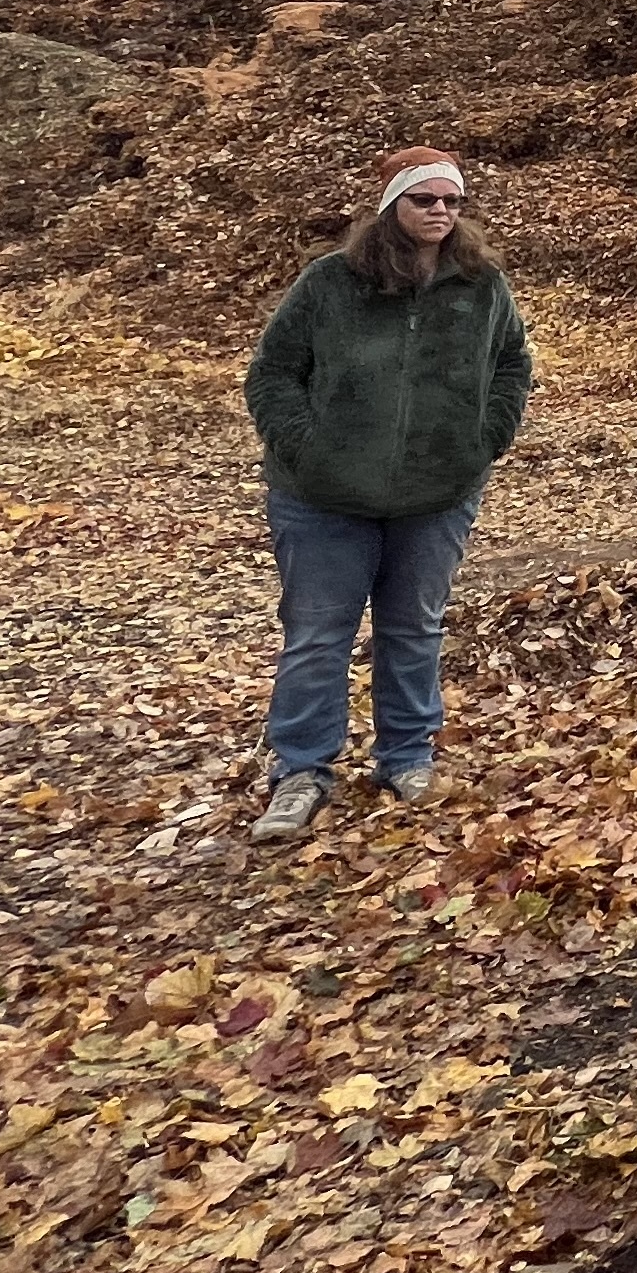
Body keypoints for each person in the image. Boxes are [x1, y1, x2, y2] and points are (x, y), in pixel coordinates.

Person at [242, 148, 533, 840]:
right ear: (390, 207)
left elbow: (513, 363)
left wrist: (484, 437)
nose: (439, 212)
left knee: (414, 629)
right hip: (321, 498)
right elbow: (272, 373)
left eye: (451, 202)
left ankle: (406, 756)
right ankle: (301, 771)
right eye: (424, 200)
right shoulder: (330, 283)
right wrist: (309, 448)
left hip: (436, 493)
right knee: (317, 638)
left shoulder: (479, 285)